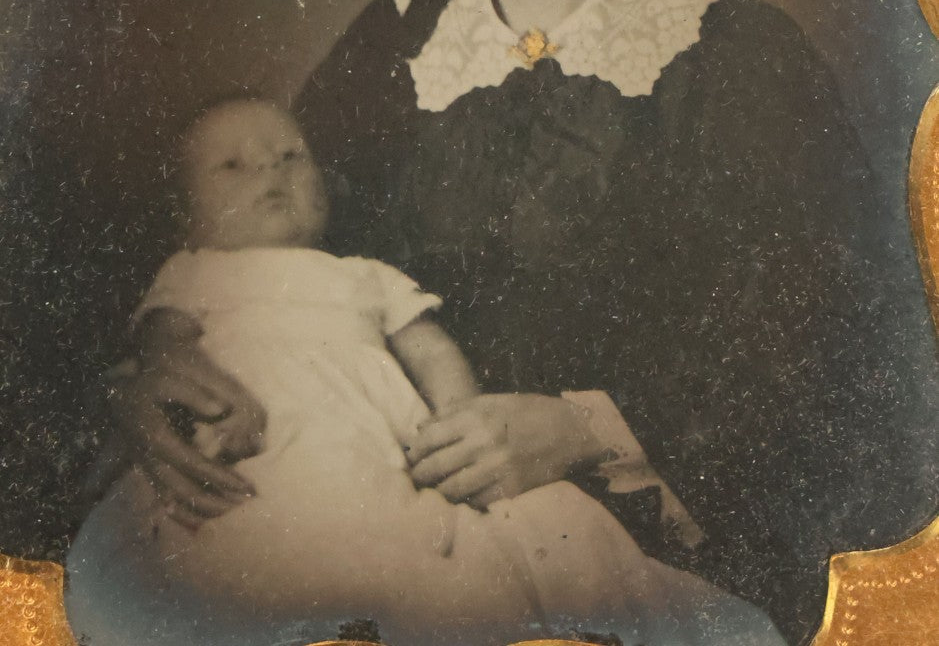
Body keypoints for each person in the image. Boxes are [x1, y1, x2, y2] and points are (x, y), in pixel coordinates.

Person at [110, 0, 928, 645]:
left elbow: (836, 355)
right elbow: (251, 260)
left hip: (637, 554)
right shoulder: (389, 42)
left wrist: (585, 426)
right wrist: (153, 369)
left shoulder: (740, 55)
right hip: (373, 531)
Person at [66, 97, 782, 646]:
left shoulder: (361, 275)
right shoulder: (194, 271)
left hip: (362, 436)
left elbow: (430, 348)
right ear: (185, 212)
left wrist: (460, 418)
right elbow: (165, 345)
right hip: (254, 437)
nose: (273, 174)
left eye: (292, 156)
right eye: (234, 166)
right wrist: (174, 367)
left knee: (420, 534)